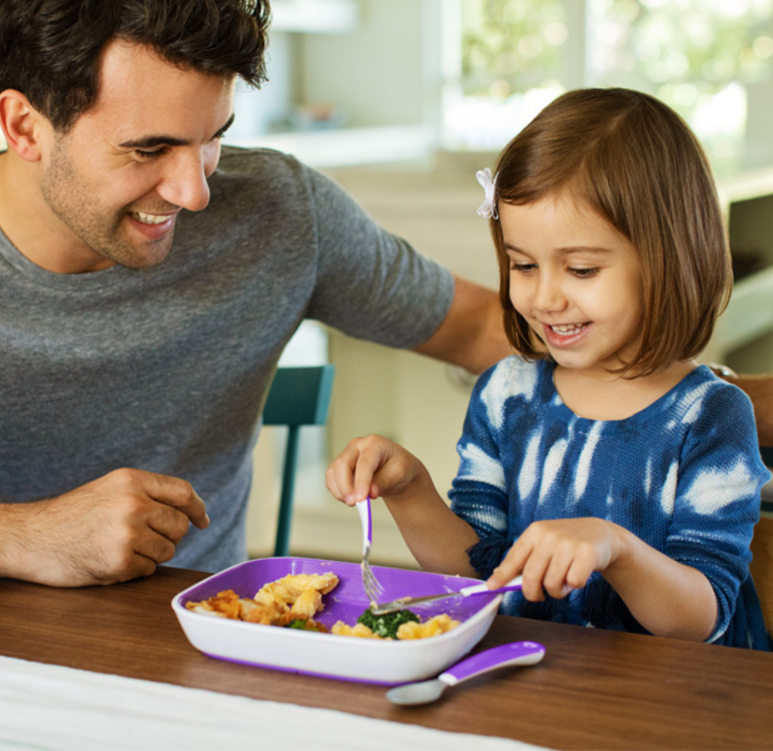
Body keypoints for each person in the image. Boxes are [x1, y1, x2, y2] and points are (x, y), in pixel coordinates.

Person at [0, 0, 509, 587]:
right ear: (24, 126)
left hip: (202, 638)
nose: (194, 193)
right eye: (149, 149)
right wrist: (25, 536)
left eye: (211, 139)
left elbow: (482, 328)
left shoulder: (278, 211)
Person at [326, 88, 771, 650]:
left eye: (581, 270)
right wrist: (410, 488)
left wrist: (617, 548)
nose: (545, 298)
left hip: (673, 708)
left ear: (668, 261)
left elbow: (700, 619)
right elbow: (478, 573)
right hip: (535, 682)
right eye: (524, 265)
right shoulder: (506, 394)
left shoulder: (710, 417)